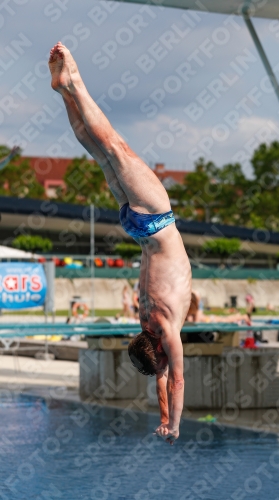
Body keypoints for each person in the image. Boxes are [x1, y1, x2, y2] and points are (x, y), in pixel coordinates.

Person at [48, 42, 191, 445]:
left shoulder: (166, 328)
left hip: (157, 222)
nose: (165, 364)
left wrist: (175, 424)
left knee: (113, 145)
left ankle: (73, 80)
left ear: (158, 350)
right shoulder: (146, 325)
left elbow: (175, 380)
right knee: (98, 151)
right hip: (136, 227)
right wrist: (161, 417)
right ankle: (63, 90)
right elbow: (161, 378)